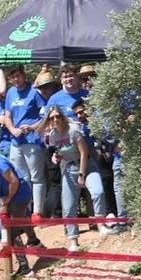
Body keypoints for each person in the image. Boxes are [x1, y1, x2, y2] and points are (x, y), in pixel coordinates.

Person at [42, 107, 100, 253]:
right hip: (68, 168)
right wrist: (56, 156)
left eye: (57, 117)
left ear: (62, 117)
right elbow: (60, 151)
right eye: (52, 118)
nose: (55, 120)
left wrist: (81, 174)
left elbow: (83, 151)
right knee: (68, 206)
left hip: (84, 164)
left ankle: (102, 225)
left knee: (97, 193)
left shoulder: (73, 130)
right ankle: (73, 240)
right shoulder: (53, 136)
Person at [1, 65, 48, 228]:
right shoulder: (10, 93)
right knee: (22, 178)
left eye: (18, 76)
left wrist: (32, 127)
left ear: (24, 75)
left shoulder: (34, 91)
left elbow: (45, 117)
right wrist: (12, 129)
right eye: (13, 77)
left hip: (32, 141)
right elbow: (7, 116)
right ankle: (26, 211)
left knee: (37, 177)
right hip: (15, 142)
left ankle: (38, 211)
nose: (16, 79)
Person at [0, 143, 33, 275]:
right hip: (15, 195)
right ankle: (35, 241)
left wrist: (8, 198)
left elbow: (14, 181)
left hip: (18, 195)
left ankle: (25, 268)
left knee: (13, 231)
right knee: (21, 221)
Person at [70, 99, 115, 233]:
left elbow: (109, 137)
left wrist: (107, 148)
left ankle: (111, 213)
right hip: (93, 158)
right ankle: (103, 215)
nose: (79, 116)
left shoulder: (100, 121)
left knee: (107, 182)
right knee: (100, 186)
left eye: (81, 112)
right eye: (76, 114)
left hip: (106, 155)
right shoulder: (81, 127)